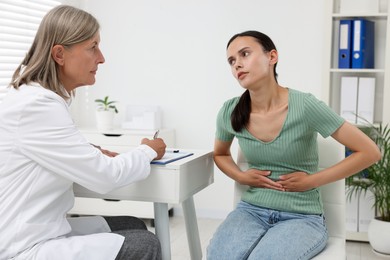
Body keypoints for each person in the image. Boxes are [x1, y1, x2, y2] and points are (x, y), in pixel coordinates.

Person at [0, 5, 165, 260]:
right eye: (93, 47)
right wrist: (147, 150)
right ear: (59, 54)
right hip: (22, 244)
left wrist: (87, 151)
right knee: (146, 244)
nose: (101, 58)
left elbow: (45, 150)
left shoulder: (35, 97)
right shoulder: (38, 105)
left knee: (132, 223)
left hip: (35, 228)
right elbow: (106, 177)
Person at [206, 30, 381, 259]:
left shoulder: (305, 106)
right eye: (231, 61)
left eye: (245, 54)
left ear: (272, 57)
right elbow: (220, 154)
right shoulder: (229, 111)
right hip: (251, 211)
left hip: (302, 217)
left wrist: (312, 180)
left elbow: (370, 152)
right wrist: (241, 176)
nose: (237, 64)